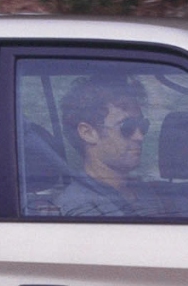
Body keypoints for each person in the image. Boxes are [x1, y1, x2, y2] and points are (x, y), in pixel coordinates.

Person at [56, 74, 152, 217]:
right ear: (88, 133)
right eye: (127, 127)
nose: (139, 136)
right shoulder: (78, 208)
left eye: (143, 125)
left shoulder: (149, 194)